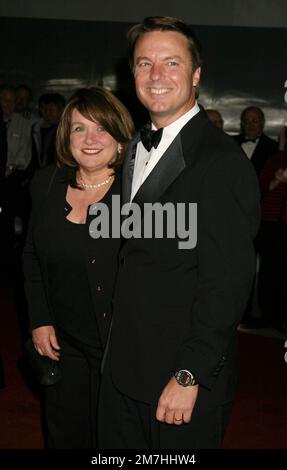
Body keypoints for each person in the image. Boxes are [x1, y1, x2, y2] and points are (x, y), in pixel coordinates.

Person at [98, 16, 260, 449]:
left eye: (171, 63)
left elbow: (227, 283)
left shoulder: (222, 163)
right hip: (122, 367)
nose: (156, 75)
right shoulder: (132, 149)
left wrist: (190, 374)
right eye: (144, 63)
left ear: (196, 75)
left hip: (179, 378)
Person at [22, 86, 134, 448]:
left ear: (119, 138)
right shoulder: (46, 183)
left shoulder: (137, 195)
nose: (90, 139)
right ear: (65, 136)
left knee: (112, 438)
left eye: (102, 128)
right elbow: (32, 256)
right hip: (62, 343)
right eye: (79, 128)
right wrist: (39, 319)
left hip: (116, 347)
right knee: (64, 434)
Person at [233, 106, 277, 176]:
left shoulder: (273, 147)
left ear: (262, 123)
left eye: (255, 121)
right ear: (242, 124)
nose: (251, 125)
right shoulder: (231, 142)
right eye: (247, 121)